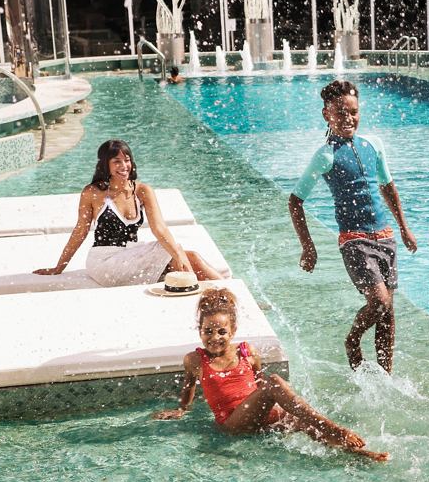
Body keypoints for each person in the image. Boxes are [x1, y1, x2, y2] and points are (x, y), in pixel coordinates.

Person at [153, 287, 389, 462]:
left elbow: (256, 385)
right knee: (274, 382)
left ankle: (361, 455)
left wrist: (285, 412)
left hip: (256, 416)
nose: (215, 337)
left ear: (233, 331)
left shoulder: (247, 352)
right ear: (200, 331)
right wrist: (182, 409)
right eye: (208, 331)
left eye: (222, 331)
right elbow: (188, 386)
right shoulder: (195, 360)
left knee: (304, 423)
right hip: (232, 423)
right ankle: (335, 430)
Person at [287, 79, 418, 372]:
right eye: (340, 113)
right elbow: (295, 201)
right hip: (354, 241)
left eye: (353, 112)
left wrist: (404, 228)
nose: (348, 118)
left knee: (388, 313)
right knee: (379, 301)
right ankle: (352, 339)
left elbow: (388, 187)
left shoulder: (374, 144)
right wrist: (308, 248)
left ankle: (387, 375)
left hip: (385, 238)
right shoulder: (326, 155)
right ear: (326, 115)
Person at [34, 139, 224, 286]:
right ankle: (199, 293)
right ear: (105, 165)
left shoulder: (142, 191)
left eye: (127, 160)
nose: (124, 166)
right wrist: (59, 267)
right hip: (104, 262)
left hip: (132, 255)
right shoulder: (93, 193)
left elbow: (160, 228)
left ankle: (229, 294)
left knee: (192, 257)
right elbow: (80, 231)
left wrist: (179, 255)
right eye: (117, 161)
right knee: (171, 251)